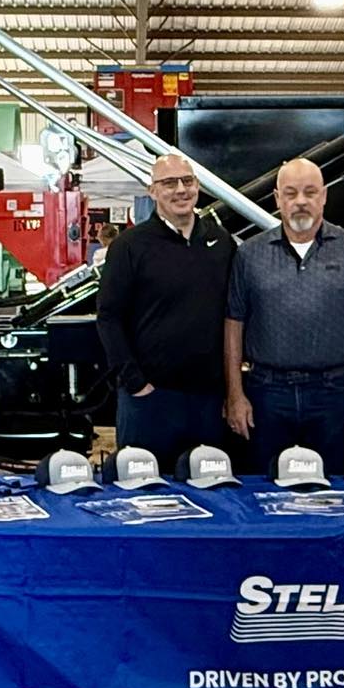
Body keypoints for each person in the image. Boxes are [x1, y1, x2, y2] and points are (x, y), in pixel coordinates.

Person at [224, 158, 344, 474]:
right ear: (277, 199)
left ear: (324, 196)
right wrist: (235, 395)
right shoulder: (249, 254)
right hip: (265, 395)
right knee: (264, 488)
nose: (300, 201)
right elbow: (233, 325)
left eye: (310, 192)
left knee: (334, 491)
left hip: (336, 395)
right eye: (291, 193)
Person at [94, 153, 234, 462]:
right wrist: (136, 382)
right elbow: (108, 317)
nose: (181, 190)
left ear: (198, 186)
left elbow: (232, 315)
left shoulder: (220, 242)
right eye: (169, 183)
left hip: (207, 401)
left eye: (188, 181)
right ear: (153, 191)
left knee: (210, 495)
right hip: (149, 402)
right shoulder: (129, 246)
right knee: (145, 497)